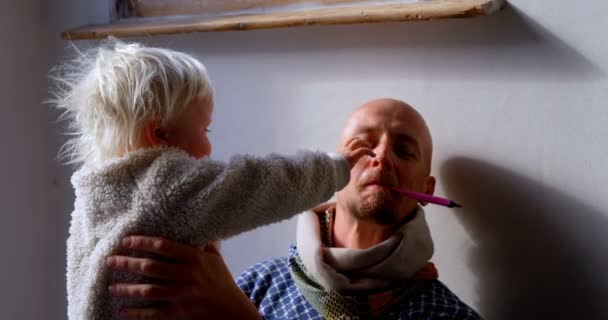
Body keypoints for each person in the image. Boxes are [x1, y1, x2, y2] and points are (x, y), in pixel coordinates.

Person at [51, 39, 374, 320]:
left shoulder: (93, 197)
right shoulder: (164, 185)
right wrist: (333, 168)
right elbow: (259, 186)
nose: (209, 147)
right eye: (205, 130)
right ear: (159, 133)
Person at [106, 98, 481, 319]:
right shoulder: (256, 284)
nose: (381, 157)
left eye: (403, 150)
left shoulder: (444, 314)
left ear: (427, 189)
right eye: (363, 145)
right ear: (333, 169)